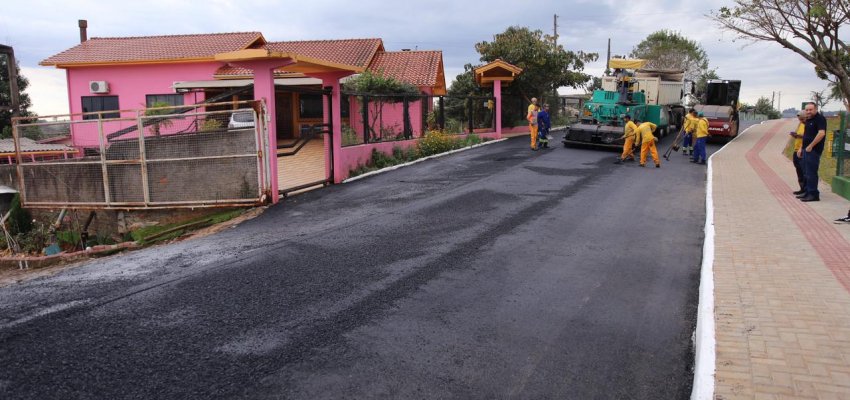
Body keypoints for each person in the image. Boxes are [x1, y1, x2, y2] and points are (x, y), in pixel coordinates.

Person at [798, 102, 828, 202]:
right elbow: (806, 136)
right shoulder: (809, 120)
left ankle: (814, 194)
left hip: (813, 150)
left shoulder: (820, 119)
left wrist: (811, 146)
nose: (808, 112)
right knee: (806, 172)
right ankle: (807, 192)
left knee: (811, 173)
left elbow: (821, 133)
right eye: (807, 110)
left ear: (816, 109)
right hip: (806, 150)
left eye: (810, 110)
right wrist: (801, 148)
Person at [789, 111, 807, 195]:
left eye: (802, 119)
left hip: (803, 150)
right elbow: (800, 135)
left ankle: (806, 189)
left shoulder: (808, 125)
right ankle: (802, 188)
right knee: (798, 170)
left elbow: (807, 137)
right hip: (796, 150)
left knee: (804, 170)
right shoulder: (800, 125)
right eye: (799, 119)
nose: (800, 120)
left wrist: (799, 136)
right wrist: (796, 135)